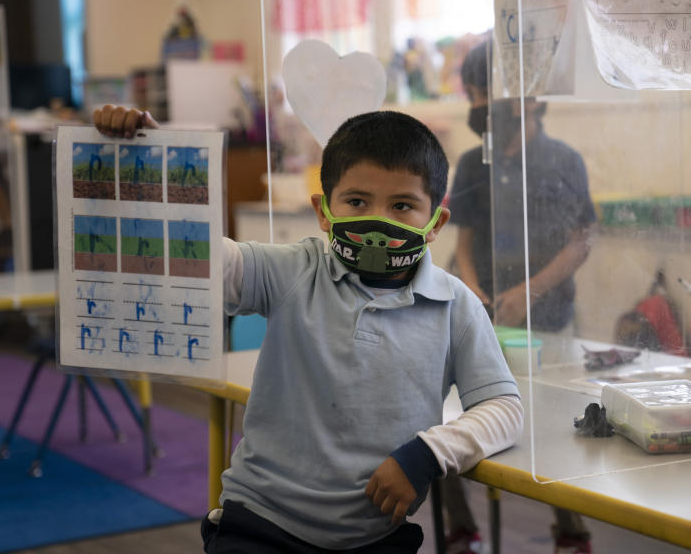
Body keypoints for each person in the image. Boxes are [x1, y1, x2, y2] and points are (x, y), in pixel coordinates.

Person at [94, 105, 523, 553]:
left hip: (374, 537)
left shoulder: (456, 306)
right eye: (357, 201)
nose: (377, 221)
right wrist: (155, 162)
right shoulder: (294, 271)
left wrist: (428, 454)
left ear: (436, 223)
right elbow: (200, 260)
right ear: (323, 212)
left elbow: (504, 408)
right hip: (259, 525)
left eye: (402, 205)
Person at [442, 43, 597, 554]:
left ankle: (571, 532)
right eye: (476, 92)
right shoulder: (471, 163)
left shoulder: (562, 160)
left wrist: (532, 291)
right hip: (483, 316)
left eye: (492, 91)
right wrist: (472, 291)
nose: (482, 101)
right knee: (446, 417)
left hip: (547, 318)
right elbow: (462, 238)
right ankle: (460, 528)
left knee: (552, 429)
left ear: (529, 98)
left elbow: (581, 239)